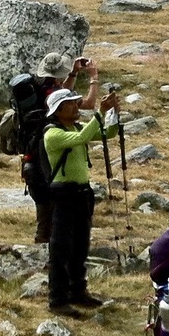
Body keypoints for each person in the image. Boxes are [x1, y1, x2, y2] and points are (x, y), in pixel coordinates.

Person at [42, 85, 119, 318]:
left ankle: (77, 291)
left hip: (82, 193)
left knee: (80, 245)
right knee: (61, 247)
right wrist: (100, 112)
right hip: (64, 194)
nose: (76, 107)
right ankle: (57, 299)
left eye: (76, 102)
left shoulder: (75, 127)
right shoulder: (53, 134)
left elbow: (108, 134)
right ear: (58, 110)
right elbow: (83, 138)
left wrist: (113, 113)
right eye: (70, 104)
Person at [25, 53, 102, 243]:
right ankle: (49, 248)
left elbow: (62, 96)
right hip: (48, 152)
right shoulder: (53, 93)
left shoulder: (40, 88)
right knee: (51, 205)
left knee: (44, 202)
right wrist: (94, 78)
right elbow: (88, 104)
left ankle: (46, 243)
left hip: (34, 151)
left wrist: (74, 73)